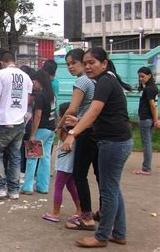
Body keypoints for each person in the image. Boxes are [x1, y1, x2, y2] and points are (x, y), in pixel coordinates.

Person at [61, 47, 133, 248]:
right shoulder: (107, 80)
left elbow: (94, 111)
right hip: (116, 141)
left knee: (108, 190)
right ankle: (119, 233)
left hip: (114, 144)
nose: (88, 66)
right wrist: (78, 122)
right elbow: (103, 116)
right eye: (85, 63)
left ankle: (101, 237)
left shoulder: (104, 82)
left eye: (92, 62)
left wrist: (72, 135)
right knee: (113, 189)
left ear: (104, 62)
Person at [57, 48, 99, 230]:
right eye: (67, 64)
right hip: (97, 131)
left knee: (79, 175)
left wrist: (58, 126)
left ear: (83, 61)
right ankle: (99, 212)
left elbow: (72, 109)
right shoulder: (96, 80)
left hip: (84, 131)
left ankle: (86, 215)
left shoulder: (82, 81)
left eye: (73, 63)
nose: (70, 67)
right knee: (99, 176)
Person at [0, 51, 32, 200]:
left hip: (4, 120)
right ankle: (13, 190)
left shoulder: (1, 74)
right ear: (14, 61)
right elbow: (28, 97)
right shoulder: (26, 76)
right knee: (15, 155)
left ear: (2, 62)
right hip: (20, 120)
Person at [42, 102, 81, 223]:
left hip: (65, 164)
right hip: (69, 163)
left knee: (58, 186)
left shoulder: (64, 130)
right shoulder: (76, 130)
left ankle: (56, 212)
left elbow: (57, 130)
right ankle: (80, 209)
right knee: (71, 186)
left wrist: (61, 122)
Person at [21, 70, 56, 195]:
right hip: (51, 129)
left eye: (34, 82)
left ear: (39, 82)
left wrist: (32, 134)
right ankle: (43, 186)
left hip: (41, 129)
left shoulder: (40, 96)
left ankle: (28, 186)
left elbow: (38, 115)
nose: (33, 84)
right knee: (45, 158)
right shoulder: (52, 95)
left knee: (32, 158)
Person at [134, 67, 159, 175]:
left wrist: (156, 119)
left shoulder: (148, 89)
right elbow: (155, 106)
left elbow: (153, 106)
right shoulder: (154, 88)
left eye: (143, 76)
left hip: (146, 118)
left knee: (146, 143)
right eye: (139, 76)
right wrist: (155, 119)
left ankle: (146, 168)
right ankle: (146, 167)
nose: (141, 79)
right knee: (148, 143)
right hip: (149, 119)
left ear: (149, 75)